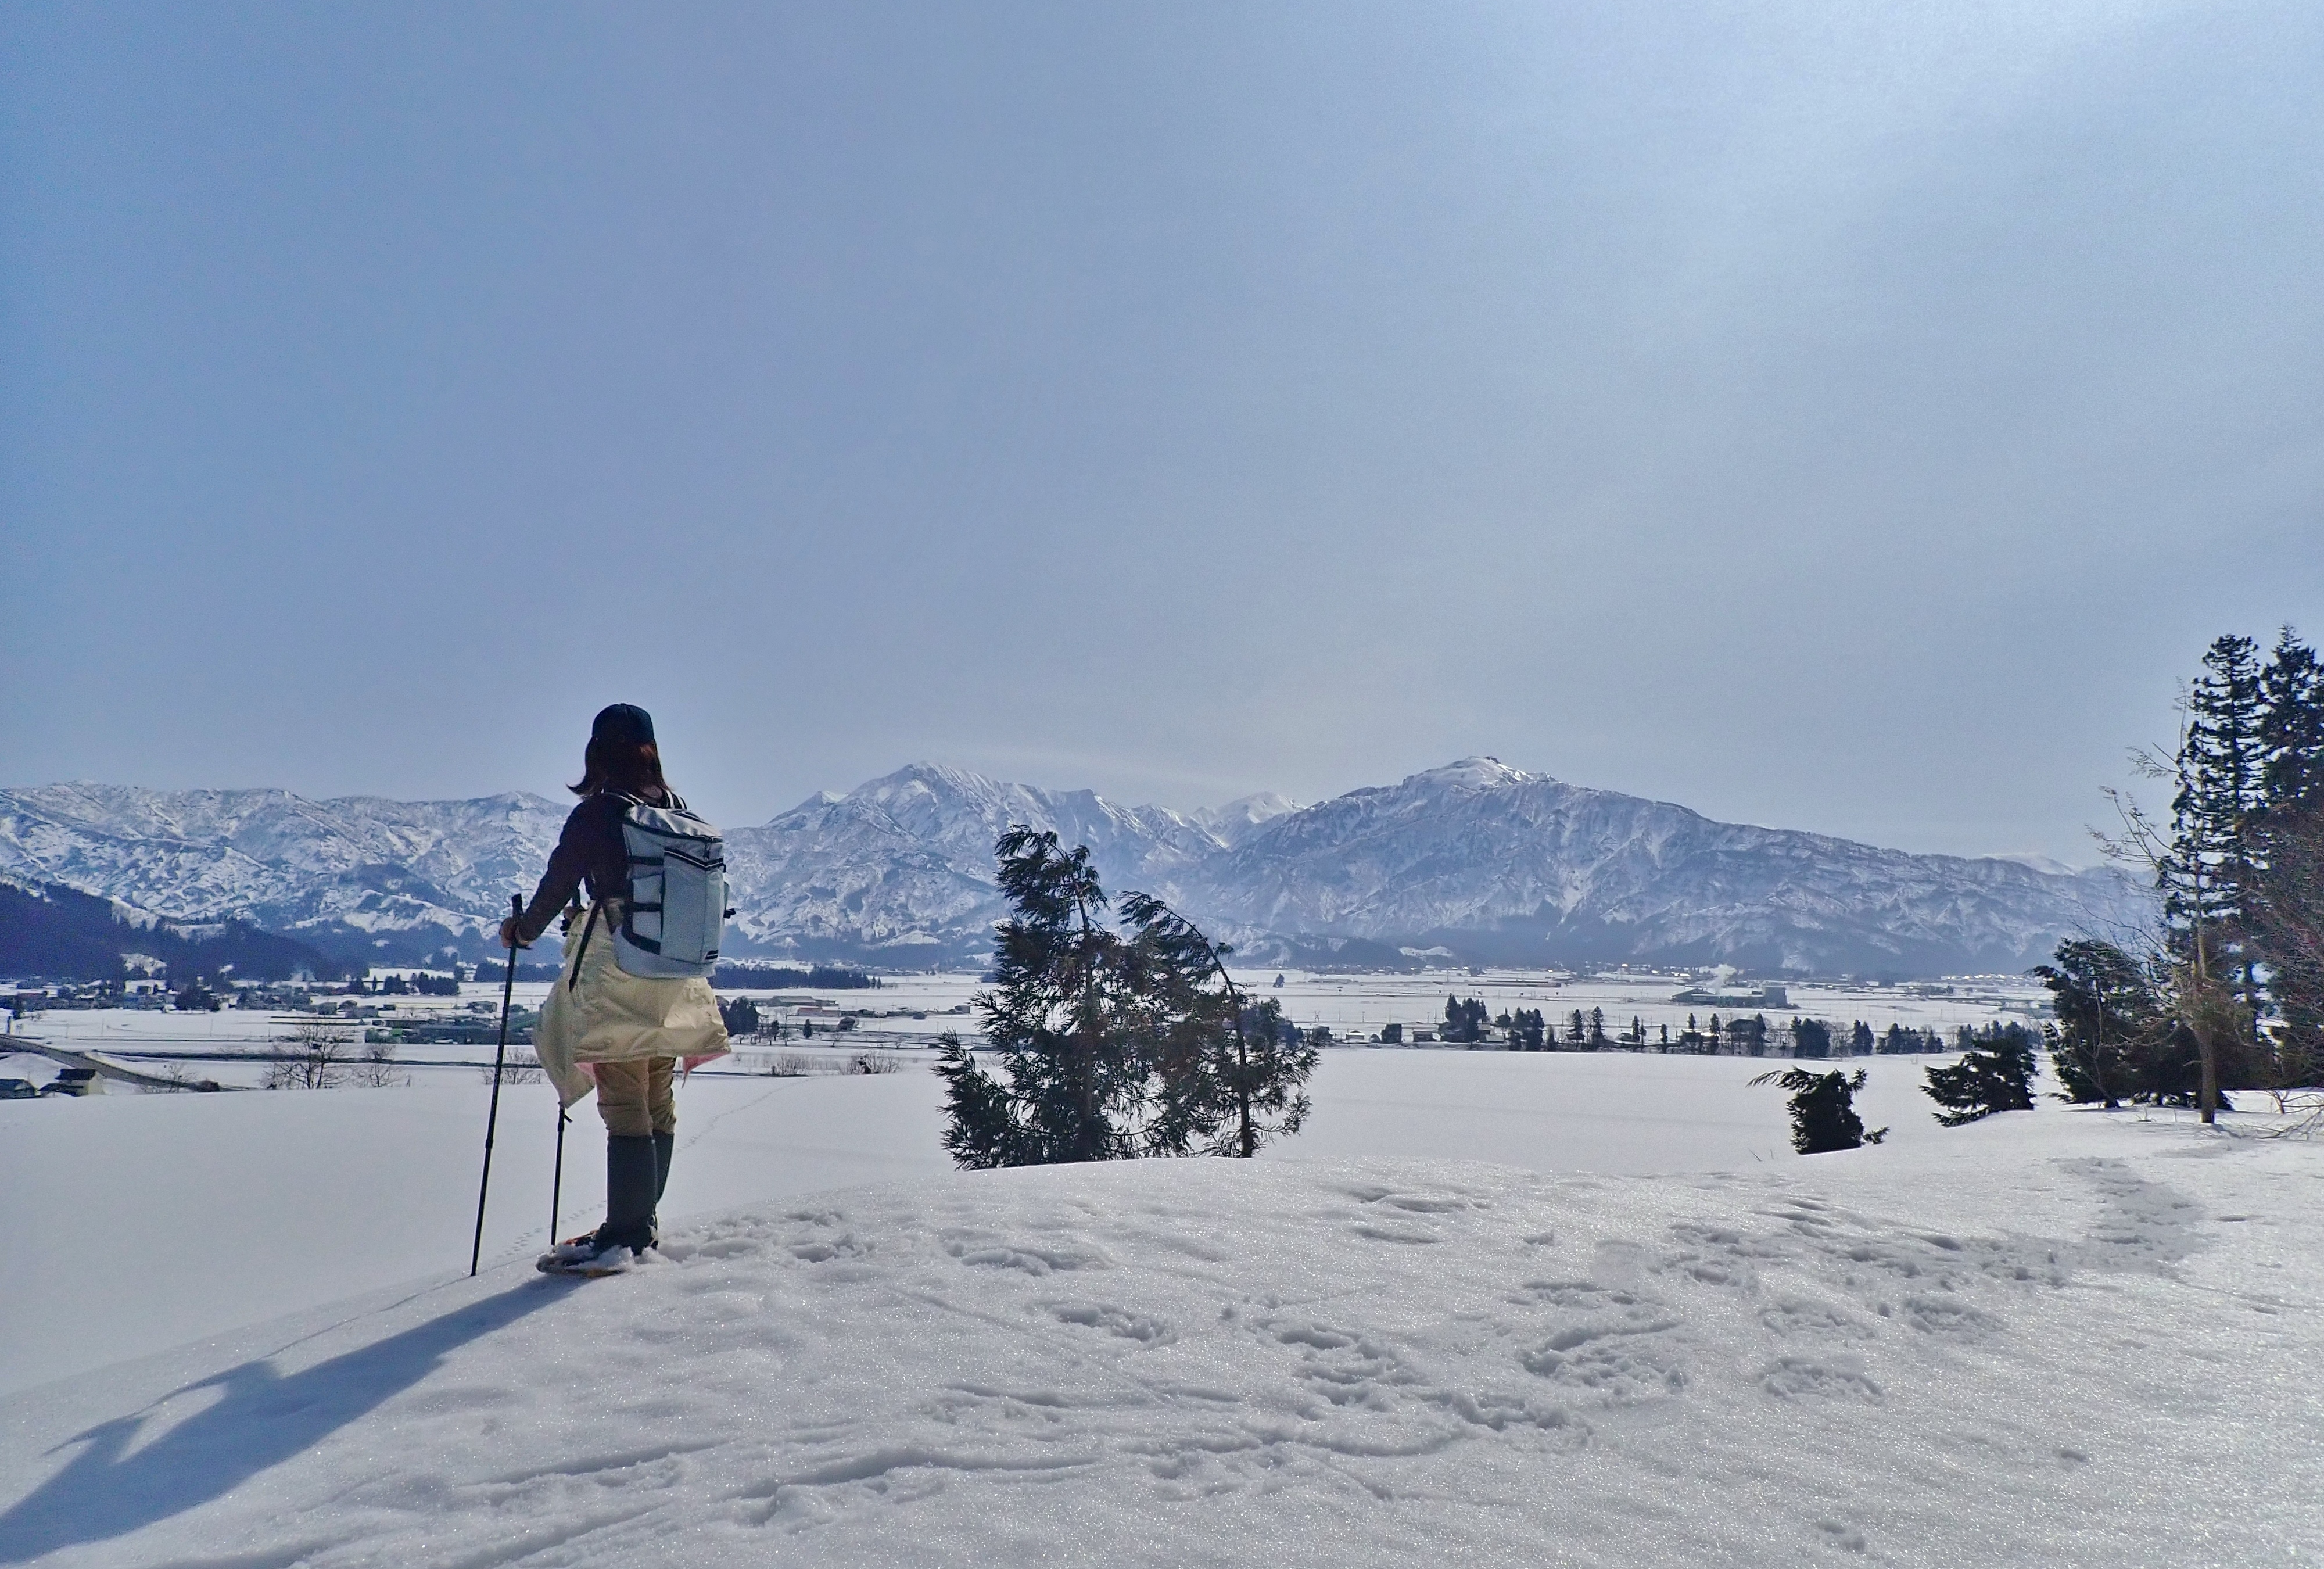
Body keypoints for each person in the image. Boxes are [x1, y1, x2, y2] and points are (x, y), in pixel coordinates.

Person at [500, 703, 728, 1268]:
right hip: (675, 969)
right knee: (657, 1098)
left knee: (623, 1099)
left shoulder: (598, 816)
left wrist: (522, 931)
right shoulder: (677, 811)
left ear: (596, 753)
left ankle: (625, 1234)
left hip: (620, 962)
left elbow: (558, 885)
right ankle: (640, 1221)